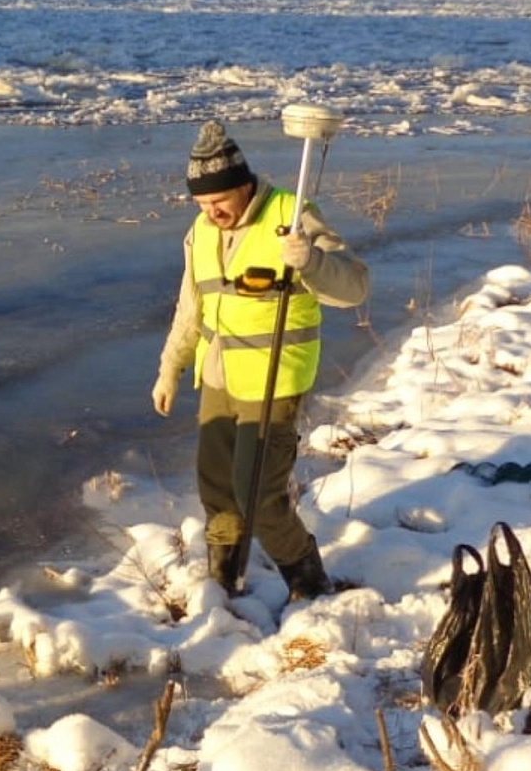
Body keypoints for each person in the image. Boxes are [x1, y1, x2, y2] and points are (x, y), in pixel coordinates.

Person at [150, 118, 369, 599]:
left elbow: (354, 287)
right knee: (217, 488)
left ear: (244, 185)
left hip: (275, 377)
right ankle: (224, 578)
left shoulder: (292, 215)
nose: (213, 212)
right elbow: (191, 306)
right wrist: (171, 369)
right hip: (218, 375)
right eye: (203, 204)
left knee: (258, 494)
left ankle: (308, 582)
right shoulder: (201, 231)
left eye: (219, 201)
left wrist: (310, 261)